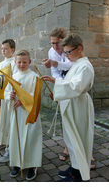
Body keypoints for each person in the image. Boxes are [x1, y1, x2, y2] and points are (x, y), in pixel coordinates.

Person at [41, 34, 95, 182]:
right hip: (71, 105)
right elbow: (69, 82)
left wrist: (57, 83)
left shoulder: (85, 66)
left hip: (79, 107)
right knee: (71, 139)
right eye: (64, 53)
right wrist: (56, 85)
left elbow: (76, 87)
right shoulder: (76, 64)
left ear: (80, 48)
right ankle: (74, 167)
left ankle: (78, 175)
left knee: (78, 139)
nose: (66, 56)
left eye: (69, 52)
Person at [5, 50, 42, 181]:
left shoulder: (34, 76)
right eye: (19, 62)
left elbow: (35, 95)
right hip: (16, 113)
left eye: (24, 62)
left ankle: (32, 165)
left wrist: (23, 101)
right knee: (16, 137)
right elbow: (7, 91)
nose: (22, 64)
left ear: (29, 62)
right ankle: (16, 162)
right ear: (15, 62)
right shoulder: (13, 76)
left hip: (29, 112)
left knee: (30, 138)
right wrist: (9, 96)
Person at [42, 28, 73, 162]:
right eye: (52, 43)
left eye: (57, 43)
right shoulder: (51, 52)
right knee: (65, 118)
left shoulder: (70, 50)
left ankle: (88, 153)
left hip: (74, 86)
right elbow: (55, 72)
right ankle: (67, 148)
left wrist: (54, 63)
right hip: (62, 86)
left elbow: (70, 65)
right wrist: (57, 89)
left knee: (77, 120)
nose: (55, 46)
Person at [0, 39, 18, 163]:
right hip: (2, 98)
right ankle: (0, 141)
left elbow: (16, 81)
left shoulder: (16, 63)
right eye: (2, 49)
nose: (3, 51)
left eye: (6, 49)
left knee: (9, 123)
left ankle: (9, 148)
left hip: (10, 97)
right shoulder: (0, 64)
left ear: (12, 49)